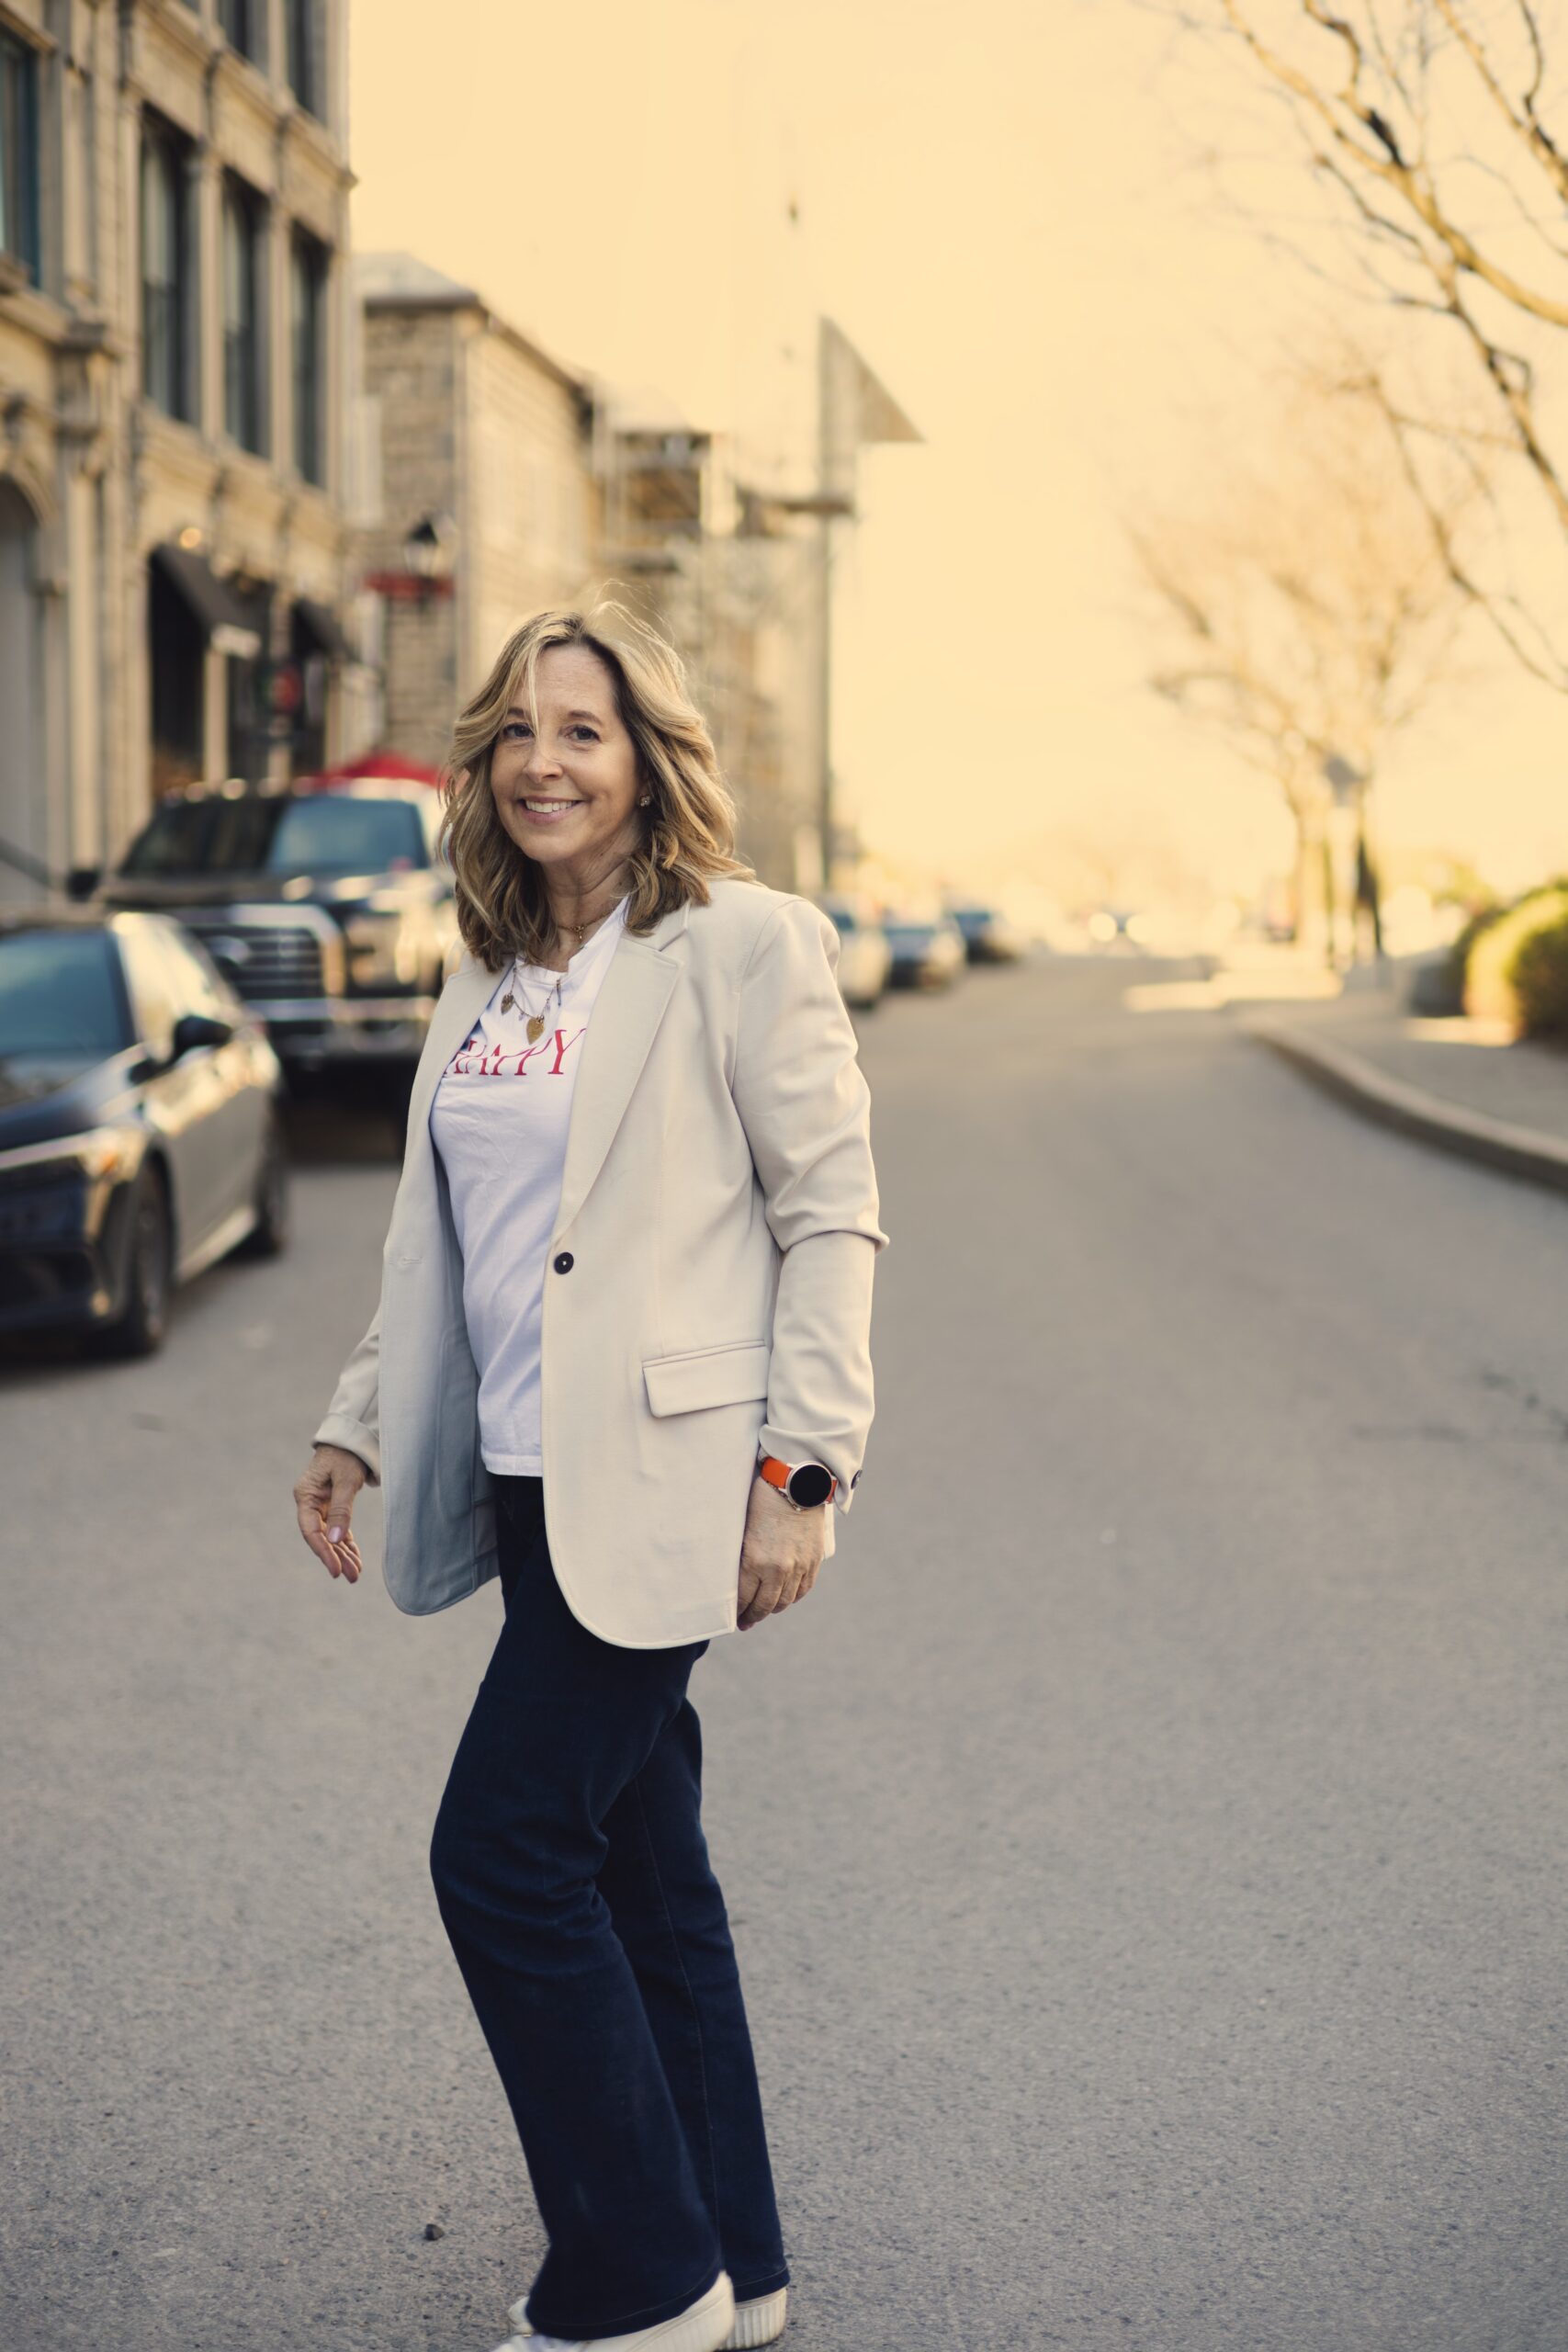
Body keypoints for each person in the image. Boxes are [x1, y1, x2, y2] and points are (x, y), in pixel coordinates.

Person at [293, 598, 888, 2352]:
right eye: (520, 731)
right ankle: (737, 2267)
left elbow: (831, 1214)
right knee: (644, 1871)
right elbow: (446, 1237)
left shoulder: (738, 943)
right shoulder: (482, 968)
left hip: (672, 1478)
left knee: (501, 1856)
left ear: (648, 760)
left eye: (586, 730)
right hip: (527, 1477)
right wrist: (357, 1417)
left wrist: (803, 1472)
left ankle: (638, 2281)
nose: (544, 763)